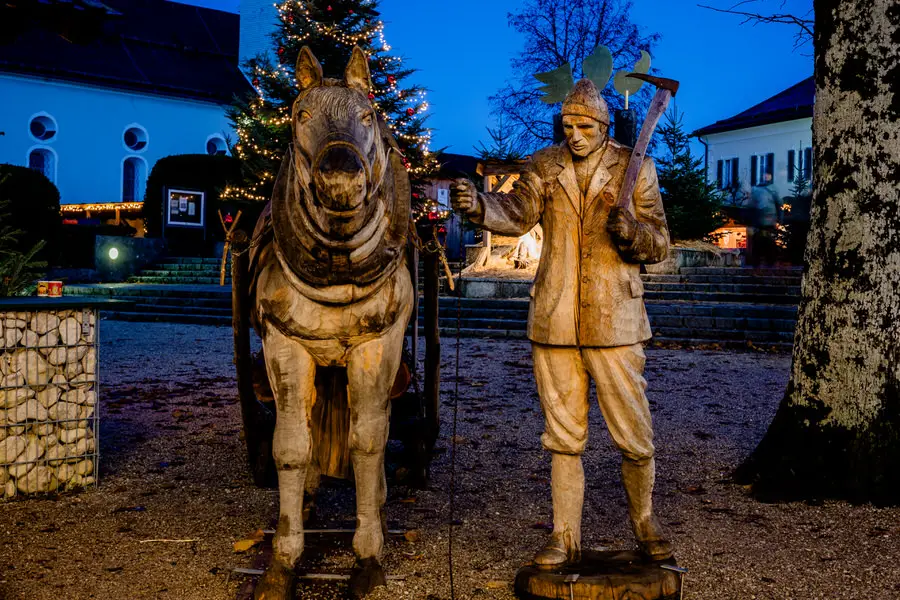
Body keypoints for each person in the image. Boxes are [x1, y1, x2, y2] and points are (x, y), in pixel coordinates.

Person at [451, 79, 673, 566]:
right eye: (568, 126)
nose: (574, 135)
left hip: (616, 321)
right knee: (563, 437)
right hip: (555, 320)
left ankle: (645, 522)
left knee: (634, 434)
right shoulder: (545, 166)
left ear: (604, 126)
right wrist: (479, 206)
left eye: (585, 126)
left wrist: (633, 232)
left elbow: (660, 243)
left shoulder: (635, 167)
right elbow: (515, 212)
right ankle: (563, 535)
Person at [748, 172, 783, 267]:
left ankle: (770, 263)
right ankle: (757, 264)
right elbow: (751, 207)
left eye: (768, 174)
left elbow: (779, 205)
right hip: (759, 222)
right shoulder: (756, 189)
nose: (766, 176)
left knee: (769, 244)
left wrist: (779, 220)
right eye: (765, 174)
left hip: (770, 221)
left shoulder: (773, 189)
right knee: (758, 244)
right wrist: (750, 223)